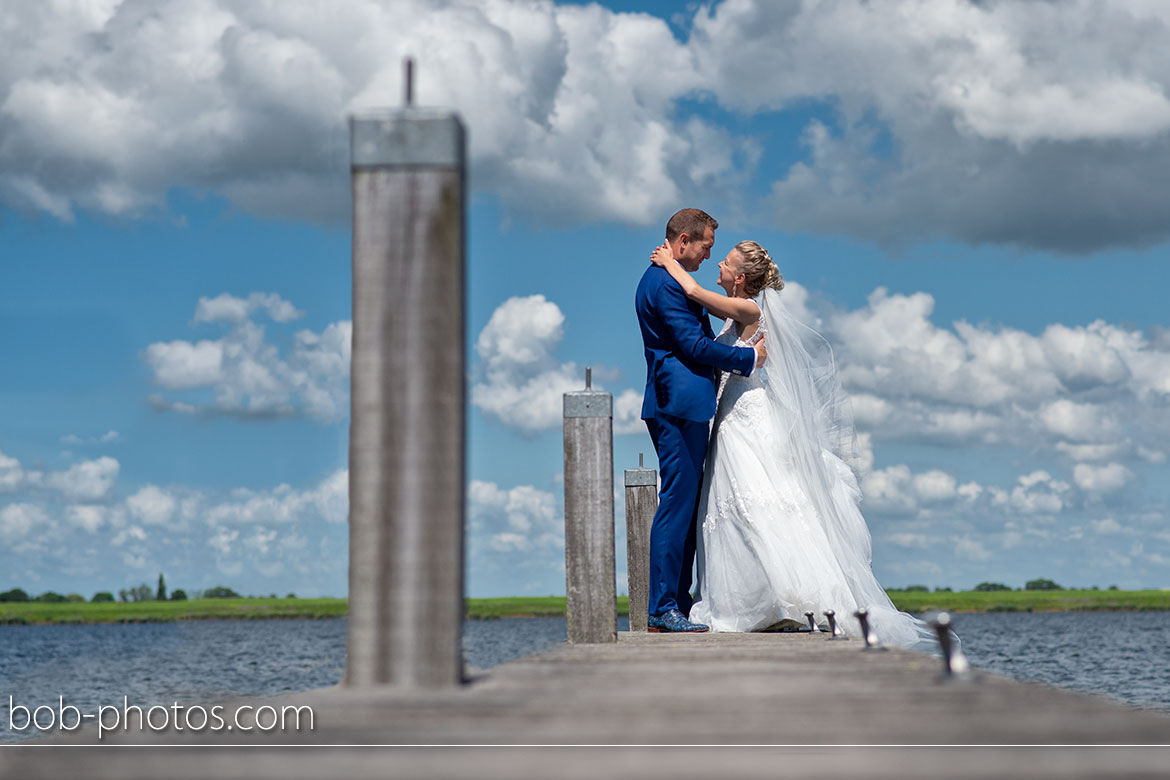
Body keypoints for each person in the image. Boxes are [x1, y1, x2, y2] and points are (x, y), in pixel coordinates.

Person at [649, 239, 935, 649]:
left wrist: (668, 263)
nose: (718, 266)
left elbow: (694, 293)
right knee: (734, 506)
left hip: (747, 416)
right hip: (731, 417)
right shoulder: (737, 312)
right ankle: (757, 600)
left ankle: (780, 599)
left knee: (755, 503)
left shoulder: (748, 309)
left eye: (725, 263)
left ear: (741, 277)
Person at [635, 209, 767, 633]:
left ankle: (679, 601)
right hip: (676, 404)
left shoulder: (671, 280)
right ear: (684, 241)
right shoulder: (663, 285)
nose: (709, 257)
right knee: (677, 504)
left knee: (686, 503)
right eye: (706, 247)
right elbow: (693, 345)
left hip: (684, 404)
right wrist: (748, 358)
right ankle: (662, 606)